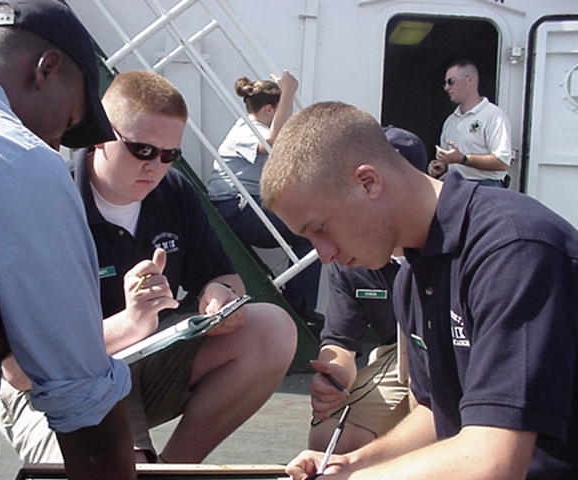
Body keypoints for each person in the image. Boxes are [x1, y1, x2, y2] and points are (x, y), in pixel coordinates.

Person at [260, 101, 578, 479]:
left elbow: (495, 461)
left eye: (319, 228)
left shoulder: (514, 251)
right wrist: (356, 463)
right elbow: (436, 413)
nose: (324, 255)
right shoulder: (415, 275)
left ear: (368, 182)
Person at [0, 70, 298, 465]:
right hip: (57, 384)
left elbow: (223, 276)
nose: (156, 166)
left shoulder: (173, 192)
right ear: (101, 136)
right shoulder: (47, 203)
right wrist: (130, 324)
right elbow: (18, 369)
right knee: (108, 466)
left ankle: (175, 470)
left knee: (271, 328)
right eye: (142, 150)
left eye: (171, 155)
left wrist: (220, 298)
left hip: (144, 364)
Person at [0, 1, 135, 479]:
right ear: (46, 69)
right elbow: (83, 400)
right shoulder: (11, 155)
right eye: (67, 124)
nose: (55, 145)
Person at [308, 127, 427, 454]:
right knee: (328, 441)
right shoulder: (348, 256)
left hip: (451, 361)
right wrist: (334, 375)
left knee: (429, 435)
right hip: (395, 354)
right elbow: (341, 340)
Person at [207, 71, 322, 323]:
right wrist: (289, 91)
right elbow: (272, 141)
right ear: (270, 110)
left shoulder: (249, 128)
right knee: (310, 236)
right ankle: (298, 308)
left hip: (243, 205)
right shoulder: (246, 129)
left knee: (303, 232)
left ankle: (292, 302)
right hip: (234, 207)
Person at [428, 60, 512, 187]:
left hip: (486, 187)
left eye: (451, 82)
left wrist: (463, 159)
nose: (446, 88)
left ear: (470, 80)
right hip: (455, 186)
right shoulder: (451, 121)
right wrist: (441, 166)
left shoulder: (493, 115)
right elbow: (449, 160)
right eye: (445, 83)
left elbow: (502, 162)